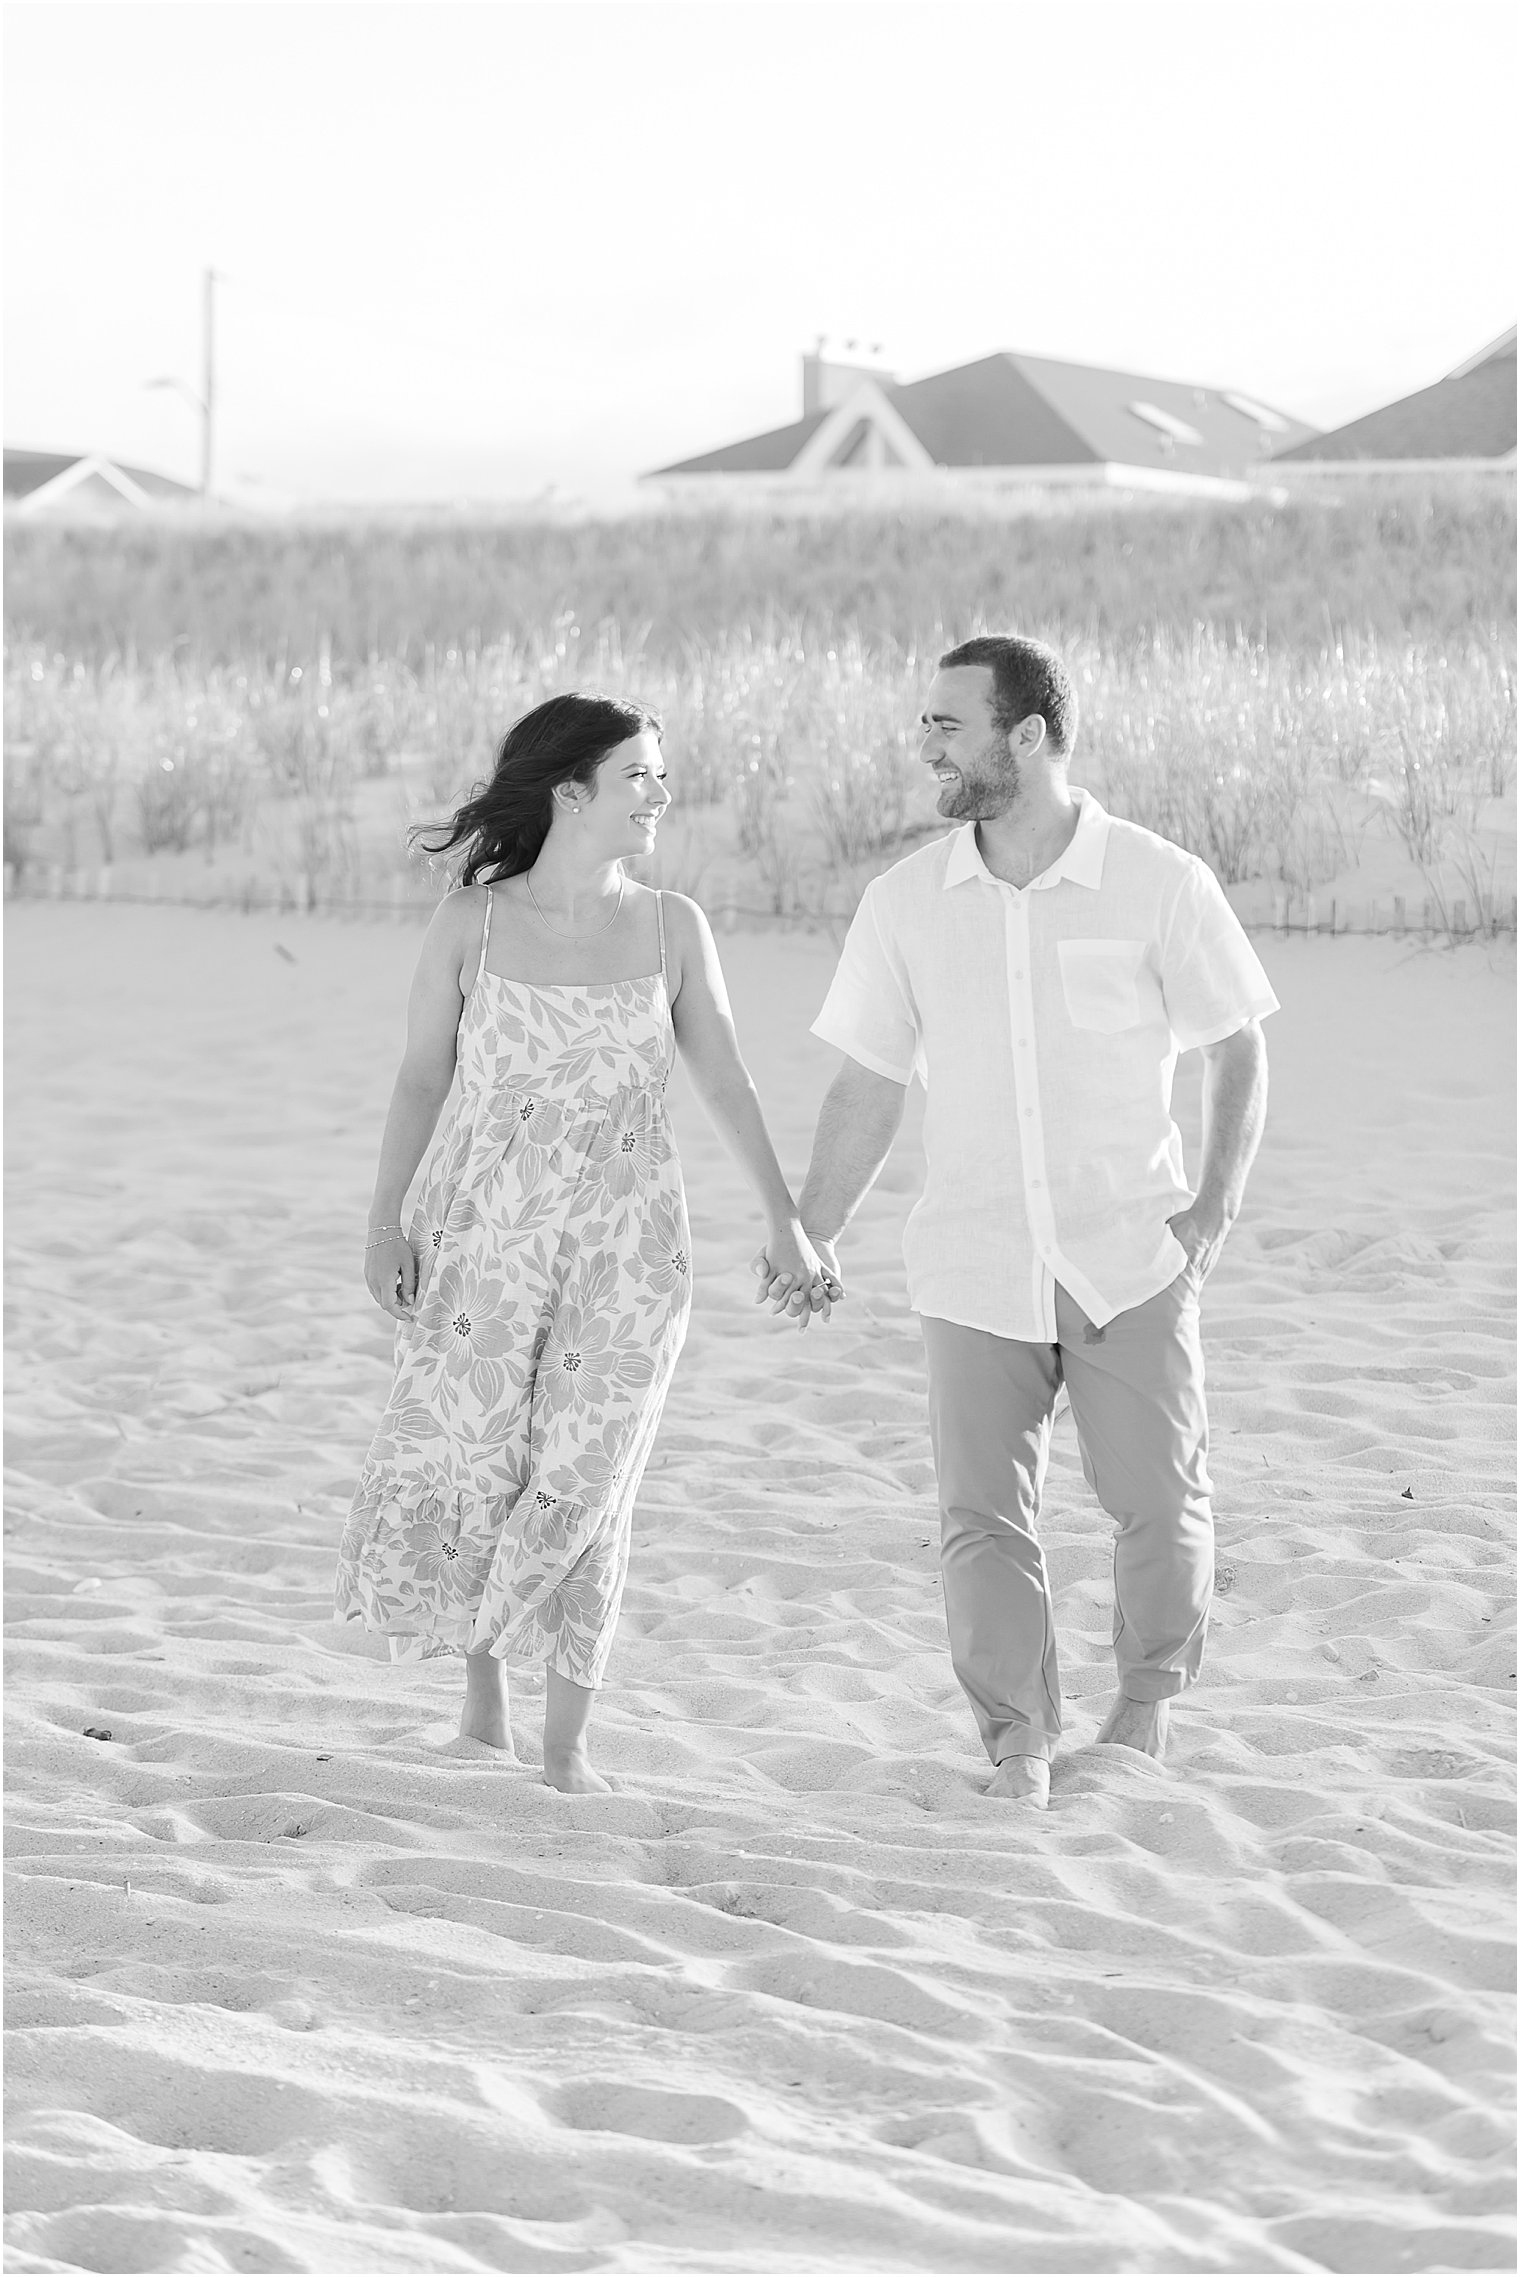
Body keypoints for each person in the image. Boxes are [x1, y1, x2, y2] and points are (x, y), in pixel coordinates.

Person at [759, 635, 1278, 1808]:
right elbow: (868, 1084)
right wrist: (814, 1228)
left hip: (1126, 1254)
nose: (925, 743)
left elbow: (1235, 1040)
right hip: (971, 1259)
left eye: (947, 722)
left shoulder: (1156, 880)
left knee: (1157, 1496)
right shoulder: (904, 903)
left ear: (1027, 734)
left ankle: (1141, 1709)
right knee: (979, 1521)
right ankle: (1017, 1743)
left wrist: (1210, 1208)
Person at [335, 692, 832, 1793]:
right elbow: (423, 1076)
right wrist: (385, 1222)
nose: (660, 795)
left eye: (659, 776)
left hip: (630, 1245)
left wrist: (784, 1219)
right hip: (480, 1236)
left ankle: (566, 1751)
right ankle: (482, 1715)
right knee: (482, 1462)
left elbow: (724, 1078)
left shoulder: (671, 927)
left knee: (587, 1476)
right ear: (571, 791)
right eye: (639, 777)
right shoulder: (471, 922)